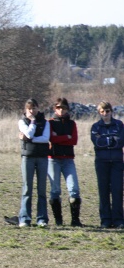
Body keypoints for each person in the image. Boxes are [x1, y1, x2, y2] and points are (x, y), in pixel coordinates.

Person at [47, 97, 82, 226]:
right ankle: (58, 220)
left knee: (74, 189)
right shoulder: (50, 123)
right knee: (55, 190)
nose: (61, 110)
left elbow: (74, 141)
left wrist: (59, 138)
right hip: (53, 159)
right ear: (54, 109)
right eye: (58, 108)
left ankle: (75, 220)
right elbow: (51, 138)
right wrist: (65, 137)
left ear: (67, 109)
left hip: (68, 159)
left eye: (64, 108)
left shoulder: (72, 124)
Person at [90, 101, 124, 229]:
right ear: (99, 113)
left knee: (117, 191)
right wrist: (111, 140)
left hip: (117, 162)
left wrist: (106, 140)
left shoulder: (119, 125)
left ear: (111, 111)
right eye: (102, 112)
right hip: (101, 162)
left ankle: (118, 220)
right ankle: (105, 220)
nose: (105, 114)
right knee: (103, 191)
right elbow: (97, 142)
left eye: (107, 111)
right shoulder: (95, 127)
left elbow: (120, 142)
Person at [18, 98, 50, 228]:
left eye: (34, 108)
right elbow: (29, 133)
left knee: (41, 189)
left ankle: (42, 218)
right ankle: (25, 218)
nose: (32, 111)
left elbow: (45, 138)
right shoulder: (22, 121)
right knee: (27, 188)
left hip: (42, 157)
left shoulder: (45, 122)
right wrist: (32, 123)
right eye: (29, 109)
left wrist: (29, 138)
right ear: (26, 110)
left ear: (38, 108)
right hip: (28, 157)